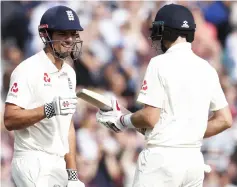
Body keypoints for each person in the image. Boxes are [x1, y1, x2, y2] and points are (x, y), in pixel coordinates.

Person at [96, 4, 233, 187]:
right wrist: (185, 134)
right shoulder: (207, 68)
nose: (155, 37)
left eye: (157, 31)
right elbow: (225, 119)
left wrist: (122, 121)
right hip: (193, 161)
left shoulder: (159, 63)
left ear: (166, 32)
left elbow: (150, 117)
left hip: (162, 161)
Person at [3, 5, 85, 187]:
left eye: (73, 33)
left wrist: (72, 173)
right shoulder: (27, 70)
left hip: (58, 165)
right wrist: (49, 109)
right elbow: (9, 119)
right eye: (63, 33)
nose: (70, 39)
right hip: (33, 160)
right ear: (45, 35)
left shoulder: (69, 73)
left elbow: (67, 126)